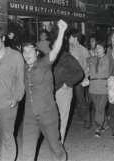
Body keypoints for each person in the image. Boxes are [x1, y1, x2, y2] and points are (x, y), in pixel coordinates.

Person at [22, 19, 68, 161]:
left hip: (48, 115)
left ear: (36, 52)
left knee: (55, 148)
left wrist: (61, 31)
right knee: (27, 151)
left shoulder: (44, 64)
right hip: (30, 116)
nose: (27, 54)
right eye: (24, 51)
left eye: (30, 51)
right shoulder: (23, 68)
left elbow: (55, 51)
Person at [0, 26, 25, 161]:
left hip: (7, 105)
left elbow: (21, 82)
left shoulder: (16, 56)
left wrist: (16, 98)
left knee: (7, 137)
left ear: (3, 39)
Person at [54, 34, 84, 143]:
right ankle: (54, 140)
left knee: (62, 117)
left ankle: (60, 142)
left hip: (63, 91)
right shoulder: (51, 56)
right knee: (52, 117)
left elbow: (80, 73)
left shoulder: (66, 57)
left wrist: (68, 83)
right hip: (51, 90)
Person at [87, 41, 110, 137]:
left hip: (104, 86)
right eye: (96, 48)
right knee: (98, 108)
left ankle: (98, 128)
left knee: (100, 108)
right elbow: (87, 70)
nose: (97, 50)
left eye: (100, 48)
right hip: (93, 87)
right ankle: (105, 124)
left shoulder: (108, 59)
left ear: (104, 49)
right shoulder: (91, 59)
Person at [69, 29, 89, 122]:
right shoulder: (68, 49)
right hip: (68, 79)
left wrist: (85, 77)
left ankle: (86, 119)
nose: (68, 39)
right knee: (70, 99)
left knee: (81, 99)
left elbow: (89, 65)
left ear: (75, 38)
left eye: (70, 37)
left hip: (79, 79)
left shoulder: (83, 50)